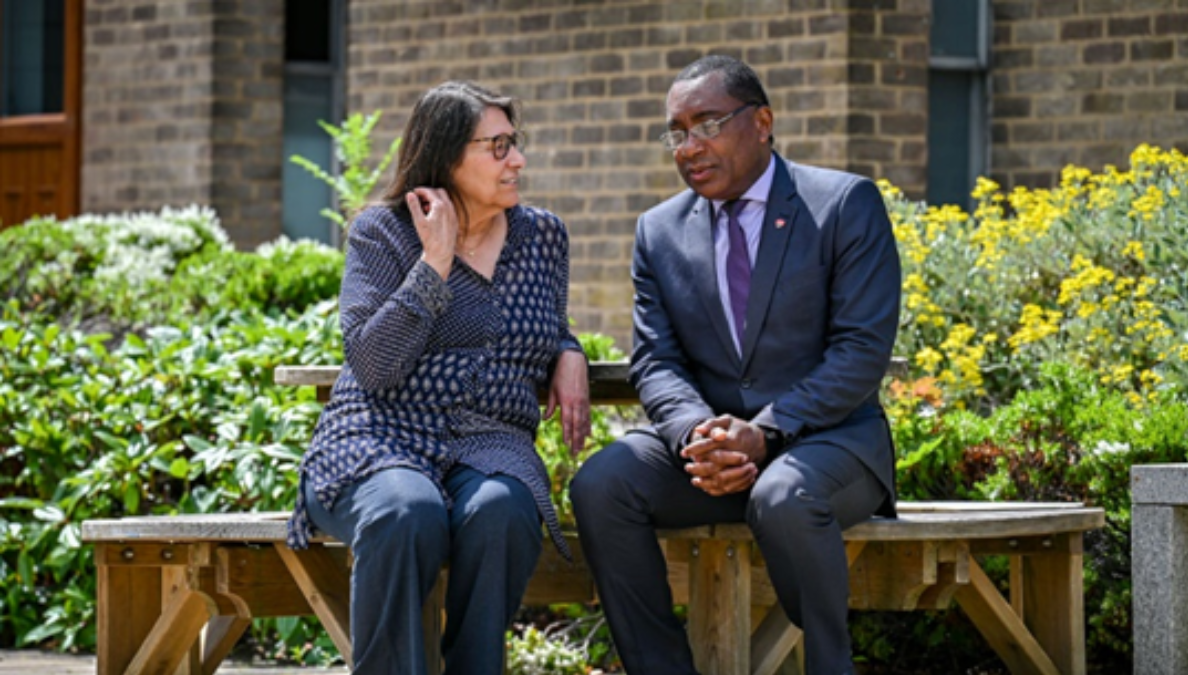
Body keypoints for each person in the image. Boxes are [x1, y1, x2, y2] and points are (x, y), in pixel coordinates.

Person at [570, 56, 901, 675]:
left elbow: (860, 350)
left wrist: (766, 431)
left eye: (708, 124)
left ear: (763, 122)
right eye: (677, 131)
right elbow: (656, 359)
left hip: (830, 445)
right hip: (712, 456)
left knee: (782, 494)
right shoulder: (658, 231)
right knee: (602, 484)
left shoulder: (842, 205)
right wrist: (700, 434)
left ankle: (831, 666)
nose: (689, 146)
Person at [286, 81, 590, 675]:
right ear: (447, 155)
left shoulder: (543, 238)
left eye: (515, 143)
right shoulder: (382, 233)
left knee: (501, 510)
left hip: (491, 442)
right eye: (497, 147)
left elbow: (546, 325)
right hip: (381, 435)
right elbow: (372, 365)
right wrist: (435, 263)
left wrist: (570, 349)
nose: (517, 160)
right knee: (405, 512)